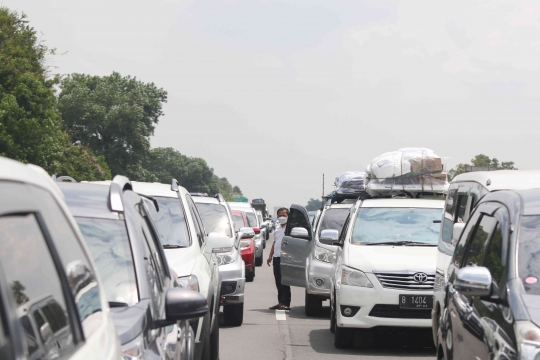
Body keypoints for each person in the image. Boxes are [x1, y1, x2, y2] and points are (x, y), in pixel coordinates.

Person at [267, 207, 291, 310]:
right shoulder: (277, 229)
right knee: (278, 280)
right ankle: (280, 302)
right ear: (277, 217)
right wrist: (270, 256)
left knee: (284, 281)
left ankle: (286, 303)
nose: (282, 217)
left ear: (288, 216)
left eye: (284, 215)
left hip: (285, 257)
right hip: (276, 257)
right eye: (280, 215)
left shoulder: (290, 228)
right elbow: (275, 243)